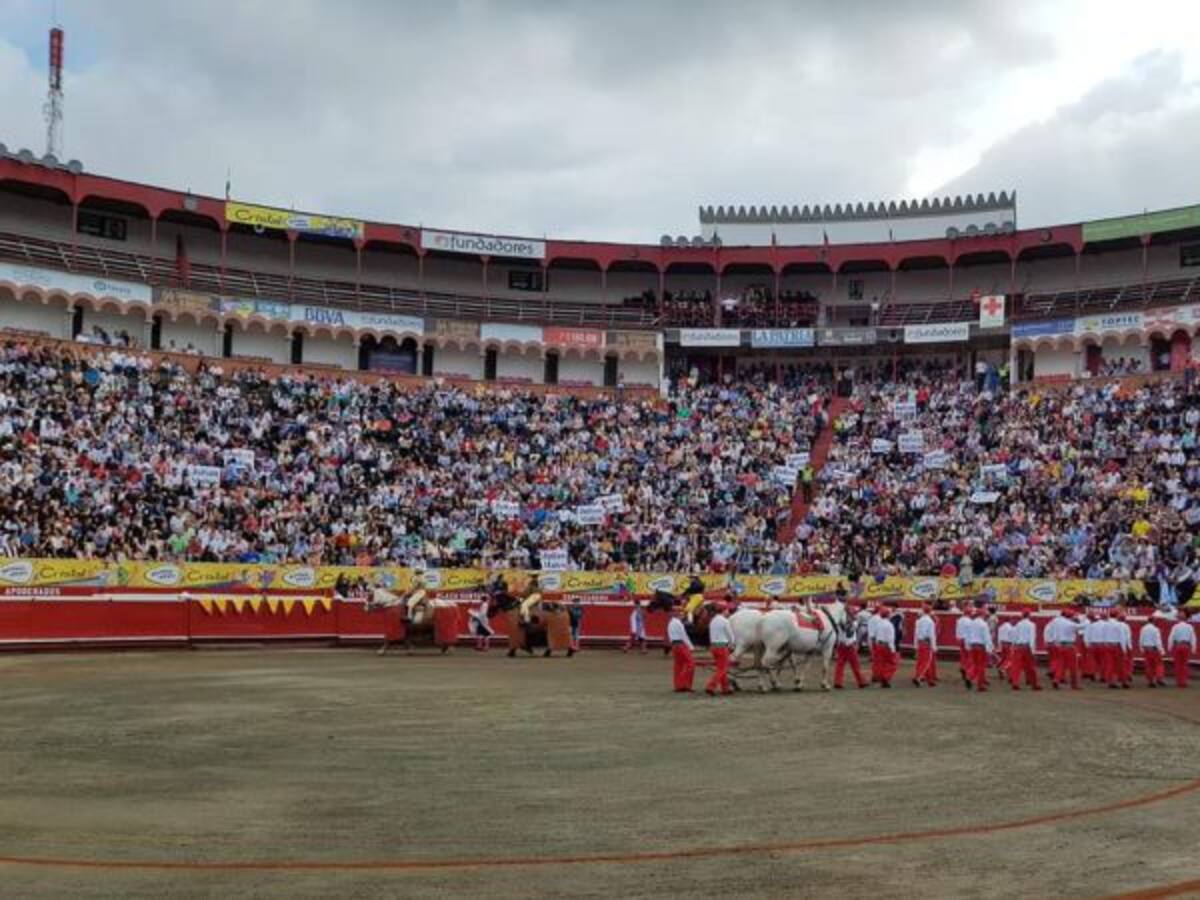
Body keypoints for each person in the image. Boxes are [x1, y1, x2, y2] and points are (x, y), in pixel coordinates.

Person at [705, 601, 735, 696]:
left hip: (714, 647)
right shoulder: (725, 621)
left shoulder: (713, 620)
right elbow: (730, 635)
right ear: (724, 610)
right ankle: (711, 686)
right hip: (722, 647)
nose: (728, 612)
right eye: (727, 610)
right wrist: (732, 645)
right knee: (723, 669)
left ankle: (725, 688)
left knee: (720, 667)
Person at [834, 606, 867, 689]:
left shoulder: (840, 621)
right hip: (850, 645)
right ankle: (861, 681)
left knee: (840, 664)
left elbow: (843, 625)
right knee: (855, 664)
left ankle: (838, 682)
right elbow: (849, 628)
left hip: (842, 644)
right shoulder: (854, 622)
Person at [1008, 610, 1042, 691]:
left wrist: (1013, 646)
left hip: (1018, 647)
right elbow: (1032, 638)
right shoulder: (1031, 625)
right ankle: (1034, 684)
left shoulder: (1018, 624)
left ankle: (1015, 683)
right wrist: (1033, 651)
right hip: (1027, 647)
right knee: (1031, 667)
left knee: (1016, 666)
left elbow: (1014, 636)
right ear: (1029, 615)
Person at [667, 607, 695, 692]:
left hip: (674, 645)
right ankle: (685, 684)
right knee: (691, 664)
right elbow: (684, 636)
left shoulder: (671, 623)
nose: (683, 615)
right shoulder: (678, 623)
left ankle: (678, 686)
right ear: (678, 614)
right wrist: (690, 646)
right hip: (681, 645)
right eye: (682, 613)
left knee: (678, 666)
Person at [965, 608, 993, 691]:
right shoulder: (983, 624)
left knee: (974, 664)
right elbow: (986, 637)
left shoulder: (971, 623)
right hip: (981, 647)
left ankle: (969, 677)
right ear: (982, 615)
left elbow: (967, 636)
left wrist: (968, 646)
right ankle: (980, 685)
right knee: (981, 666)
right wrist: (989, 648)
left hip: (973, 646)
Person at [912, 603, 938, 687]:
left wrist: (915, 645)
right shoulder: (930, 621)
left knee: (921, 662)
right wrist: (934, 646)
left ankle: (929, 680)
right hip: (926, 643)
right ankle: (919, 677)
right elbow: (932, 635)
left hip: (920, 643)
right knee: (926, 662)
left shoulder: (918, 621)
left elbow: (916, 634)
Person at [872, 606, 898, 688]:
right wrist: (892, 649)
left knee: (881, 663)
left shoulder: (878, 623)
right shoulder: (889, 624)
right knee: (892, 663)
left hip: (878, 645)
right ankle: (885, 678)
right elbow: (891, 638)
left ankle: (880, 677)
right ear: (888, 615)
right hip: (886, 646)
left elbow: (875, 635)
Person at [1139, 617, 1167, 688]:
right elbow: (1158, 641)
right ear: (1154, 621)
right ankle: (1159, 678)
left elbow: (1141, 639)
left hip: (1146, 649)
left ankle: (1150, 681)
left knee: (1149, 666)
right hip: (1154, 649)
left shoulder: (1143, 628)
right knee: (1159, 664)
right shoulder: (1155, 629)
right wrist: (1161, 650)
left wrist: (1141, 648)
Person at [1168, 619, 1196, 688]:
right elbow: (1193, 638)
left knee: (1178, 664)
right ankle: (1184, 681)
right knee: (1184, 665)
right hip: (1186, 646)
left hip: (1178, 646)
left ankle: (1179, 681)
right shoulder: (1190, 626)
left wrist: (1170, 647)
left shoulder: (1175, 626)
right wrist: (1193, 648)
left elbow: (1171, 637)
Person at [1114, 612, 1134, 688]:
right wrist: (1126, 648)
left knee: (1118, 664)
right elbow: (1125, 638)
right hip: (1124, 646)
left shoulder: (1115, 625)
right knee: (1125, 664)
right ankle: (1125, 678)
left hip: (1118, 645)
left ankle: (1121, 677)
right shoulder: (1125, 626)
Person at [955, 609, 972, 687]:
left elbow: (957, 631)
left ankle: (962, 667)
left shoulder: (959, 620)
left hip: (960, 639)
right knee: (969, 657)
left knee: (963, 656)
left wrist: (958, 638)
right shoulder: (969, 621)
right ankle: (967, 671)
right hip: (967, 640)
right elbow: (970, 632)